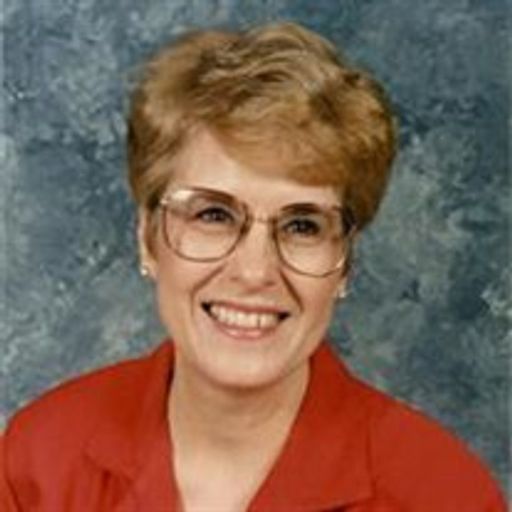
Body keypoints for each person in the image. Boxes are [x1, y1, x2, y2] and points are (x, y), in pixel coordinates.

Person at [1, 21, 506, 512]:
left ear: (344, 262)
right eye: (213, 215)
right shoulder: (38, 463)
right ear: (148, 239)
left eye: (303, 225)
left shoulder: (443, 496)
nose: (254, 271)